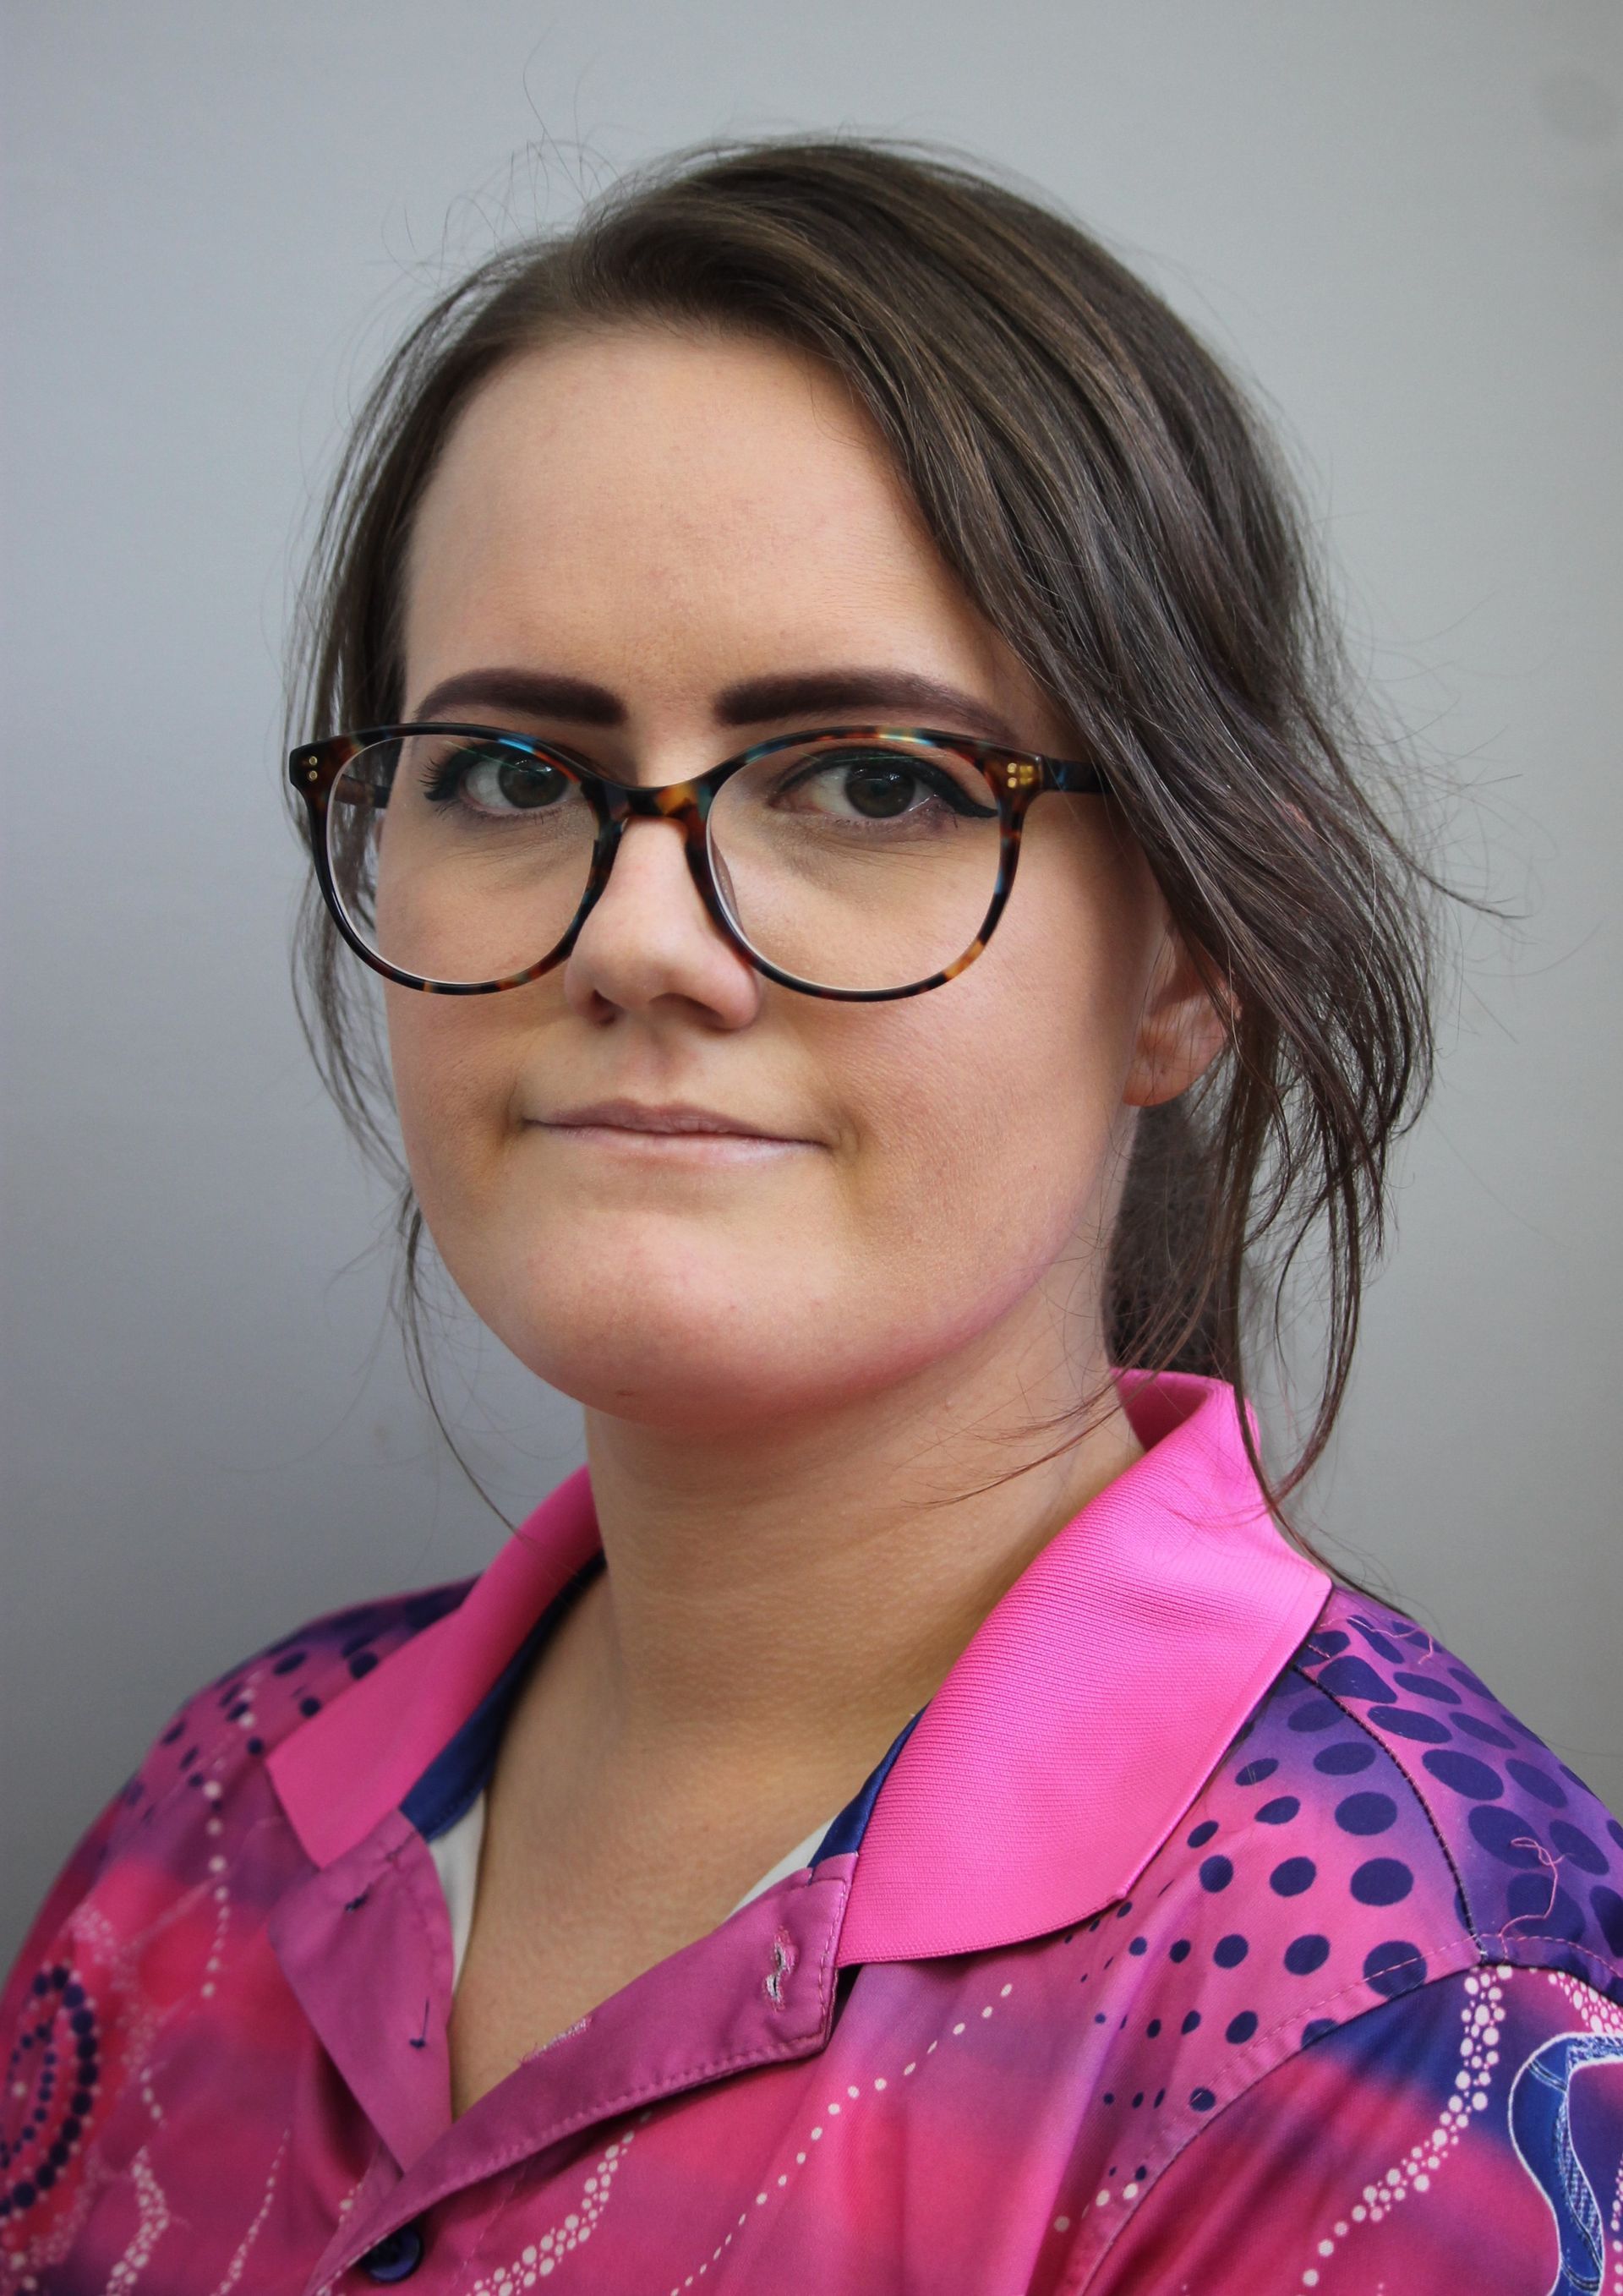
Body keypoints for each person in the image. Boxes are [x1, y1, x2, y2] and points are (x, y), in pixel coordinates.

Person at [3, 134, 1618, 2296]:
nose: (645, 940)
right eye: (508, 770)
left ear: (1186, 961)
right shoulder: (220, 1807)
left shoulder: (1409, 2009)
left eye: (872, 780)